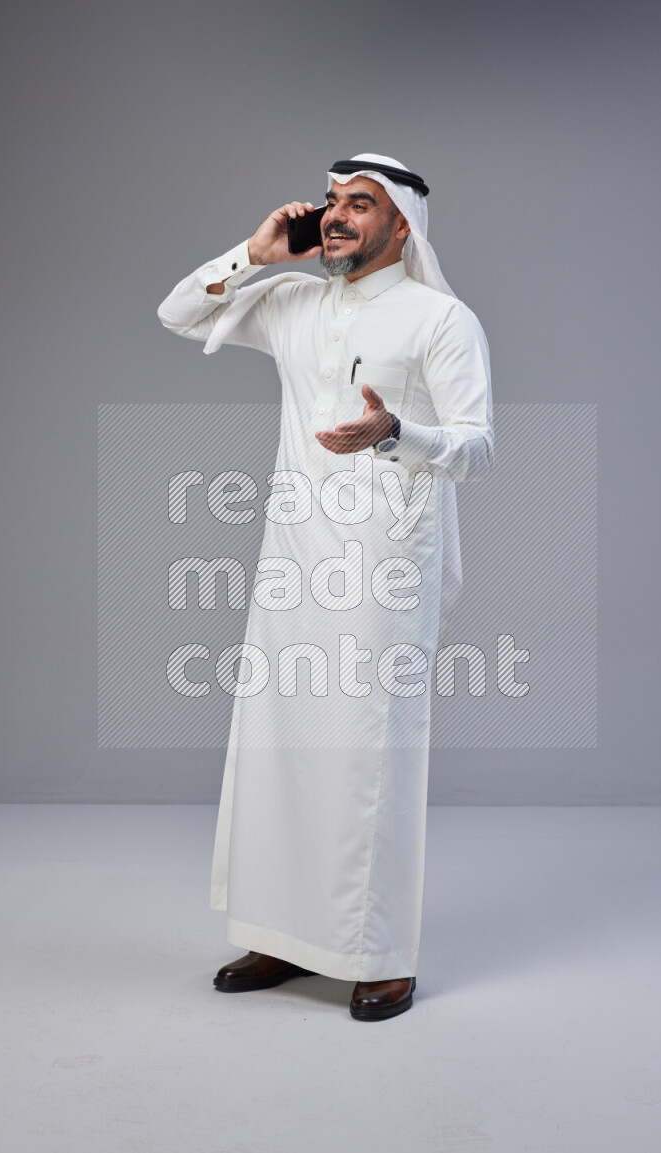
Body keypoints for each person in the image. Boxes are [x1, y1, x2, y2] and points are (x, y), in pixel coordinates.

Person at [157, 154, 494, 1020]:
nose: (338, 217)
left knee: (367, 754)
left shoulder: (441, 320)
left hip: (386, 565)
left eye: (362, 205)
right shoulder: (295, 301)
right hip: (291, 558)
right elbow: (178, 311)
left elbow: (476, 446)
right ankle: (281, 933)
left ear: (402, 225)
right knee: (279, 744)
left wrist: (395, 432)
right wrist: (260, 252)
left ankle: (380, 952)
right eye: (333, 202)